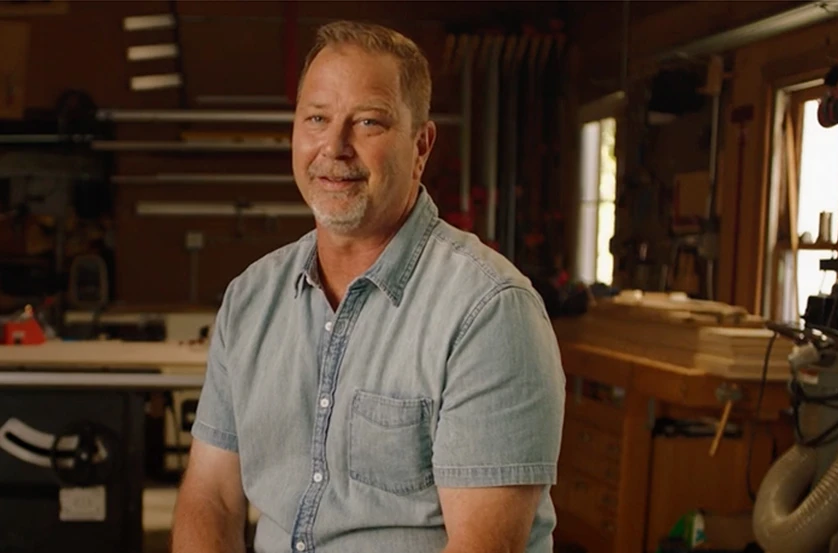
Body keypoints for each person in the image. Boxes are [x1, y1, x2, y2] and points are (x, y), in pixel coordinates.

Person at [170, 20, 565, 553]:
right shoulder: (250, 298)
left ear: (421, 145)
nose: (334, 147)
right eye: (317, 118)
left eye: (369, 123)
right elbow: (211, 498)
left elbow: (483, 546)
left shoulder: (489, 312)